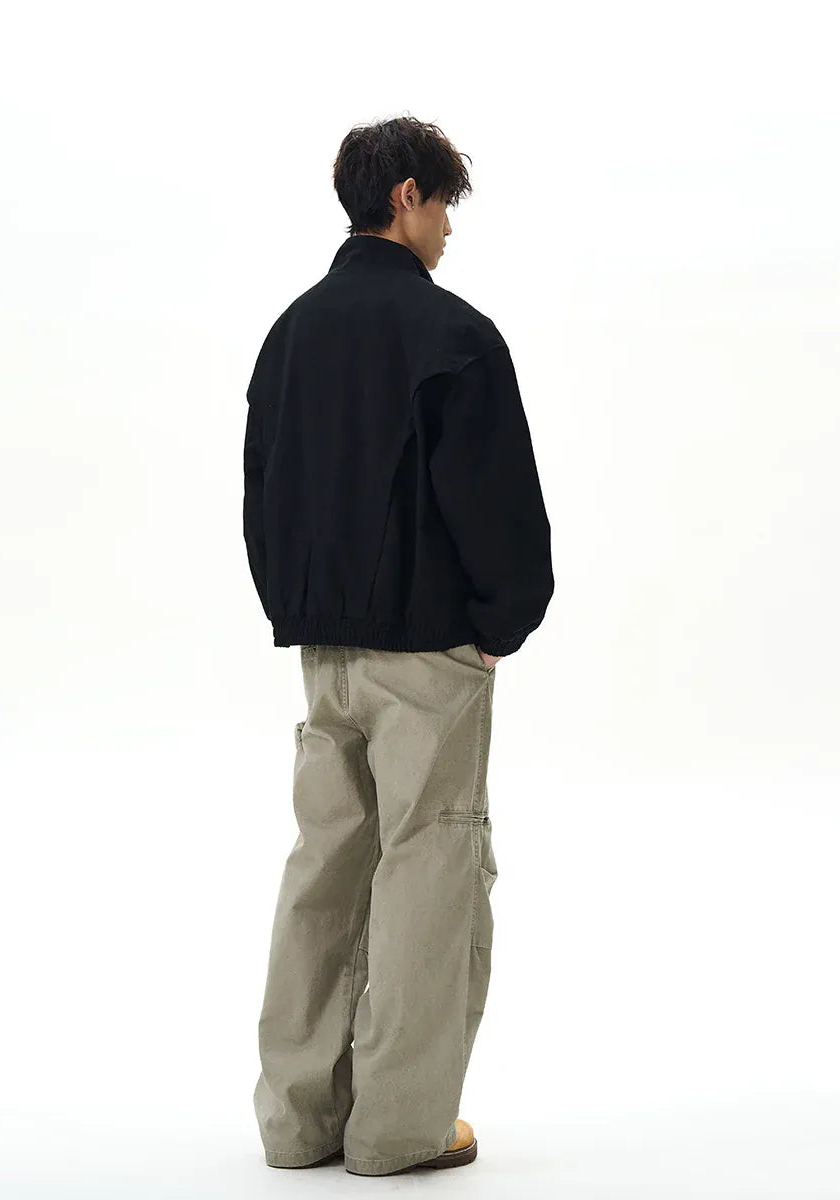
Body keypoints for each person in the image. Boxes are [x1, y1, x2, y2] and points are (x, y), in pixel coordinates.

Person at [244, 114, 554, 1177]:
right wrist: (503, 621)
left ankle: (298, 1124)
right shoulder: (452, 335)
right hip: (427, 655)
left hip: (323, 653)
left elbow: (262, 489)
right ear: (407, 196)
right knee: (431, 868)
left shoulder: (290, 332)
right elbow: (497, 502)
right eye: (445, 206)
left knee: (324, 868)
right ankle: (400, 1129)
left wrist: (298, 607)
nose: (449, 230)